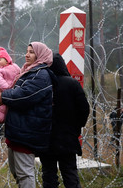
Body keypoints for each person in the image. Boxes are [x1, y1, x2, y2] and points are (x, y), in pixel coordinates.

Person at [0, 42, 54, 188]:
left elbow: (23, 96)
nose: (27, 55)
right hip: (19, 130)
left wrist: (4, 96)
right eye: (27, 51)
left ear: (40, 55)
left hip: (27, 131)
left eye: (31, 52)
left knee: (25, 174)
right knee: (17, 172)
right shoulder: (28, 71)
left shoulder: (40, 75)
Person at [38, 53, 90, 188]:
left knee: (49, 174)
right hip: (68, 136)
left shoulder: (43, 84)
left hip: (46, 137)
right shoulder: (72, 83)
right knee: (70, 173)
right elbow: (84, 108)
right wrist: (77, 126)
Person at [0, 47, 21, 123]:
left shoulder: (14, 66)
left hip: (17, 90)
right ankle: (1, 117)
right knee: (3, 107)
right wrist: (7, 89)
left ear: (6, 59)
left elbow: (20, 73)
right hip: (6, 92)